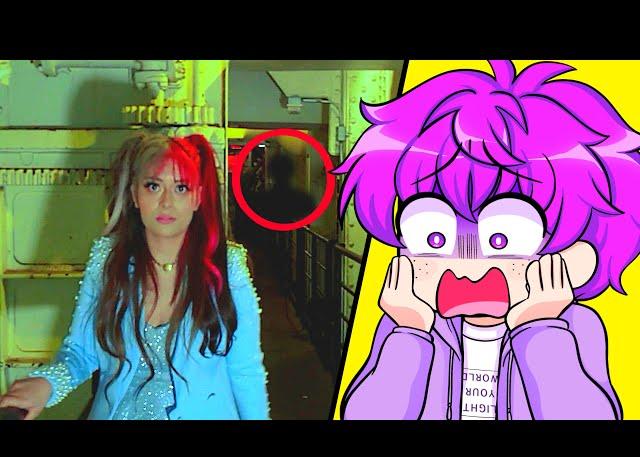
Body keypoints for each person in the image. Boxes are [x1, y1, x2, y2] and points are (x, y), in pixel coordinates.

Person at [333, 60, 640, 420]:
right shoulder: (410, 324)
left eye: (504, 238)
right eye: (434, 237)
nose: (470, 268)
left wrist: (539, 328)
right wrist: (409, 333)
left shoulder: (575, 326)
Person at [0, 132, 270, 420]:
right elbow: (81, 351)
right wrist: (47, 384)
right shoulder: (107, 260)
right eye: (153, 186)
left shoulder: (228, 267)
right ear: (134, 195)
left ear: (197, 198)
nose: (166, 202)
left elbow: (245, 371)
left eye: (181, 188)